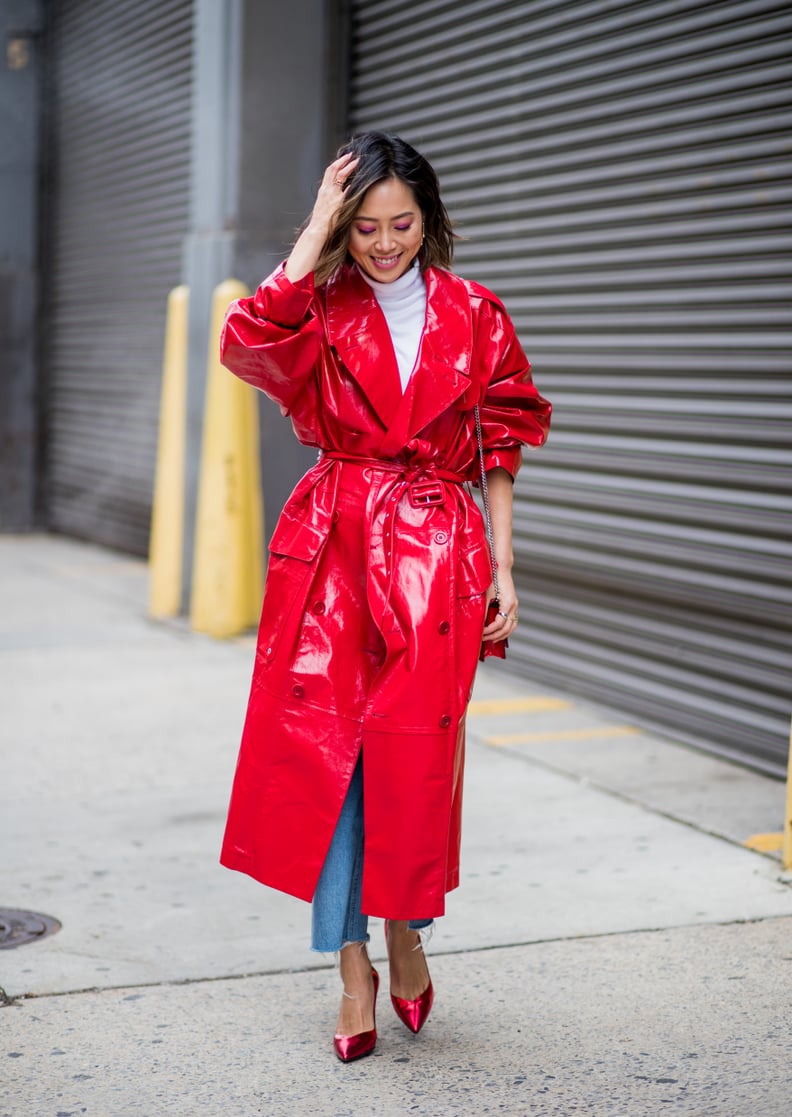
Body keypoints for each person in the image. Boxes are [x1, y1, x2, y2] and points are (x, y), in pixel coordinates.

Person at [219, 131, 551, 1062]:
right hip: (335, 544)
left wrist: (506, 565)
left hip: (439, 552)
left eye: (400, 223)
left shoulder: (477, 314)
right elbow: (246, 342)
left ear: (429, 221)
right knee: (334, 760)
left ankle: (406, 928)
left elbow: (500, 446)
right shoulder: (317, 311)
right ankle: (353, 961)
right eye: (362, 226)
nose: (383, 242)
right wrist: (315, 223)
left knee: (414, 760)